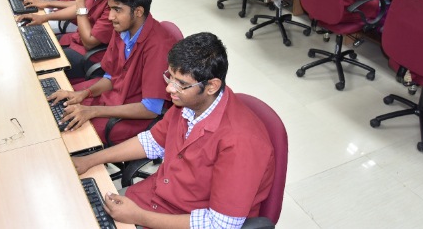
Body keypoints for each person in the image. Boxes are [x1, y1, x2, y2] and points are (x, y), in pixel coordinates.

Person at [71, 32, 275, 228]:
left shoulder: (241, 142)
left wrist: (139, 216)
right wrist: (90, 160)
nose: (169, 88)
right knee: (79, 209)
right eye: (170, 77)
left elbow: (219, 224)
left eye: (181, 84)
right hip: (155, 198)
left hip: (186, 220)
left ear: (212, 86)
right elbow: (152, 142)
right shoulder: (190, 103)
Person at [46, 0, 176, 145]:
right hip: (112, 98)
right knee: (56, 105)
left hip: (132, 116)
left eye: (117, 10)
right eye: (110, 8)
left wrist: (93, 111)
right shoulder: (123, 28)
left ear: (138, 11)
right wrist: (84, 94)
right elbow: (110, 77)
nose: (111, 16)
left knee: (65, 137)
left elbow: (150, 109)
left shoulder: (158, 46)